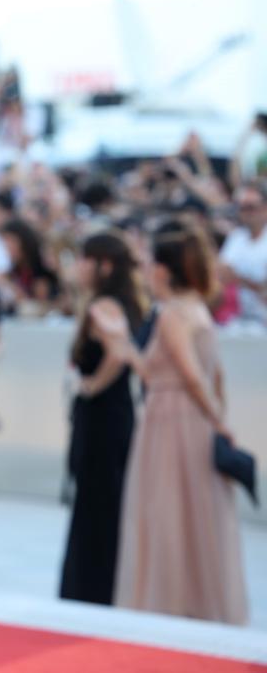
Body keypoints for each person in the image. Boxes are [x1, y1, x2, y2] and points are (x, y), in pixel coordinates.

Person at [93, 223, 249, 625]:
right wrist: (218, 419)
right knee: (190, 513)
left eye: (149, 263)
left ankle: (172, 602)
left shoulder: (172, 315)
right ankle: (191, 599)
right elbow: (208, 377)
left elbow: (190, 375)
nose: (145, 270)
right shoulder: (197, 308)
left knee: (168, 512)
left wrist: (123, 344)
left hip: (173, 421)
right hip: (184, 418)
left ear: (163, 270)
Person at [59, 231, 144, 605]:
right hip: (114, 416)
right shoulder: (124, 302)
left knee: (97, 502)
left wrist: (91, 386)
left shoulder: (104, 306)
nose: (78, 267)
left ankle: (90, 589)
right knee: (105, 502)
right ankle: (99, 587)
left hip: (102, 419)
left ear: (104, 265)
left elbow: (118, 354)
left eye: (84, 259)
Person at [219, 180, 267, 325]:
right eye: (241, 208)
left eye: (251, 207)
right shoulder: (236, 238)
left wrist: (238, 279)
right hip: (237, 320)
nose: (246, 213)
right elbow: (221, 274)